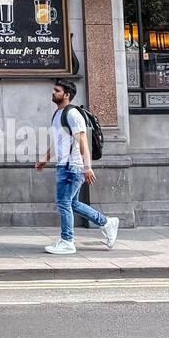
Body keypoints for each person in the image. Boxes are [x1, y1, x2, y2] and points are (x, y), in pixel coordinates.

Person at [35, 79, 119, 255]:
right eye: (54, 89)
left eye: (57, 90)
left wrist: (86, 167)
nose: (53, 92)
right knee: (72, 203)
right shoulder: (58, 115)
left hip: (73, 166)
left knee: (64, 203)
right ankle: (106, 222)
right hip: (64, 166)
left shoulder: (73, 114)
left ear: (66, 95)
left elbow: (83, 142)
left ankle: (67, 241)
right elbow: (58, 142)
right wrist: (45, 158)